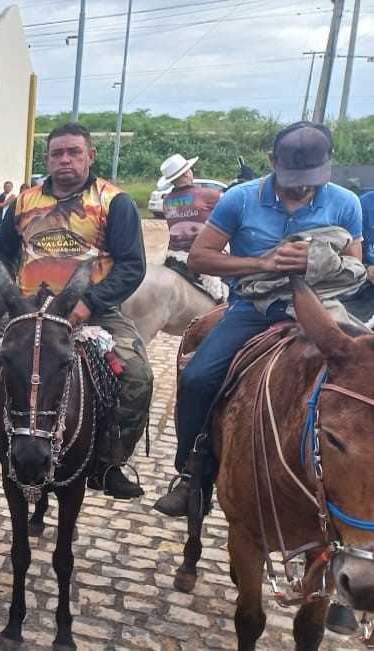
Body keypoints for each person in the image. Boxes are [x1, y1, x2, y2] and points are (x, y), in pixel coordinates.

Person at [154, 121, 363, 516]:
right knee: (198, 375)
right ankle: (192, 472)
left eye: (311, 180)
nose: (302, 188)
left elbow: (355, 267)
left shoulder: (344, 203)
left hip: (323, 307)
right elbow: (201, 257)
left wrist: (315, 260)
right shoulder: (240, 199)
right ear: (271, 160)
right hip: (254, 309)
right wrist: (262, 262)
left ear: (328, 165)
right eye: (292, 179)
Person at [0, 123, 153, 500]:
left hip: (94, 311)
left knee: (138, 375)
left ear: (90, 155)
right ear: (48, 158)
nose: (65, 159)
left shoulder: (115, 202)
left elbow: (132, 266)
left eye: (74, 152)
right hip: (27, 310)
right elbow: (1, 253)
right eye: (57, 153)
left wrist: (90, 302)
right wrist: (9, 293)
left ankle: (109, 463)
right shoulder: (24, 202)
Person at [157, 153, 228, 301]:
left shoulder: (167, 200)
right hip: (201, 255)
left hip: (174, 256)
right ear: (185, 173)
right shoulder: (204, 194)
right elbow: (232, 200)